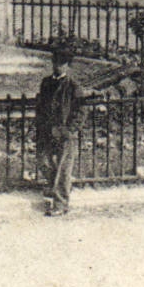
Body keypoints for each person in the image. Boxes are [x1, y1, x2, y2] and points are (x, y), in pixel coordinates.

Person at [35, 50, 88, 217]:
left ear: (68, 66)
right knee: (42, 161)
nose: (57, 66)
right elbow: (41, 107)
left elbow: (81, 111)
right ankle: (55, 189)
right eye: (55, 62)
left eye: (62, 63)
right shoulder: (46, 83)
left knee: (64, 169)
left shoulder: (73, 86)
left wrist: (70, 130)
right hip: (48, 131)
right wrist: (39, 126)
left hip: (65, 134)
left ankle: (60, 203)